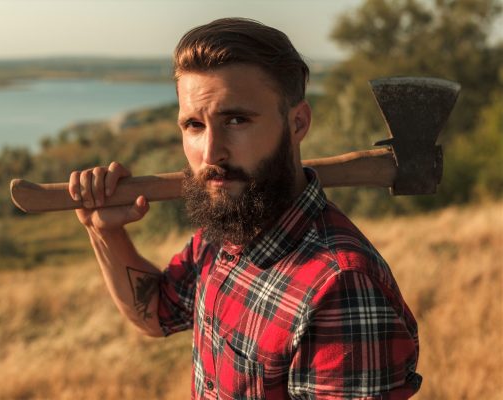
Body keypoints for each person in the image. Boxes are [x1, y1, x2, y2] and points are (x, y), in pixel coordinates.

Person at [69, 18, 422, 399]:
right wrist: (103, 231)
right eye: (193, 125)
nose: (210, 153)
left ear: (298, 122)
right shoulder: (226, 228)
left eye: (236, 120)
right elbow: (155, 313)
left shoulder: (342, 287)